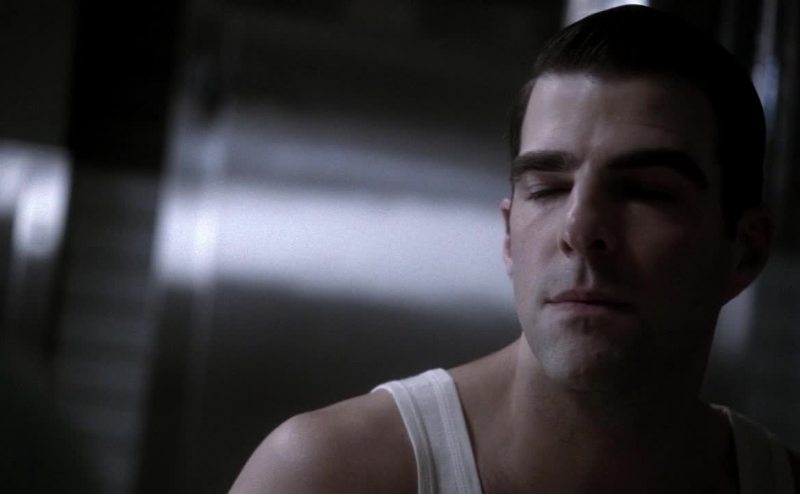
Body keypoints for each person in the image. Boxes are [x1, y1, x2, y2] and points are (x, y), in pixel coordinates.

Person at [231, 5, 799, 493]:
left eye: (647, 191)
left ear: (746, 252)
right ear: (508, 235)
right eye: (548, 188)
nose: (580, 228)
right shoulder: (328, 474)